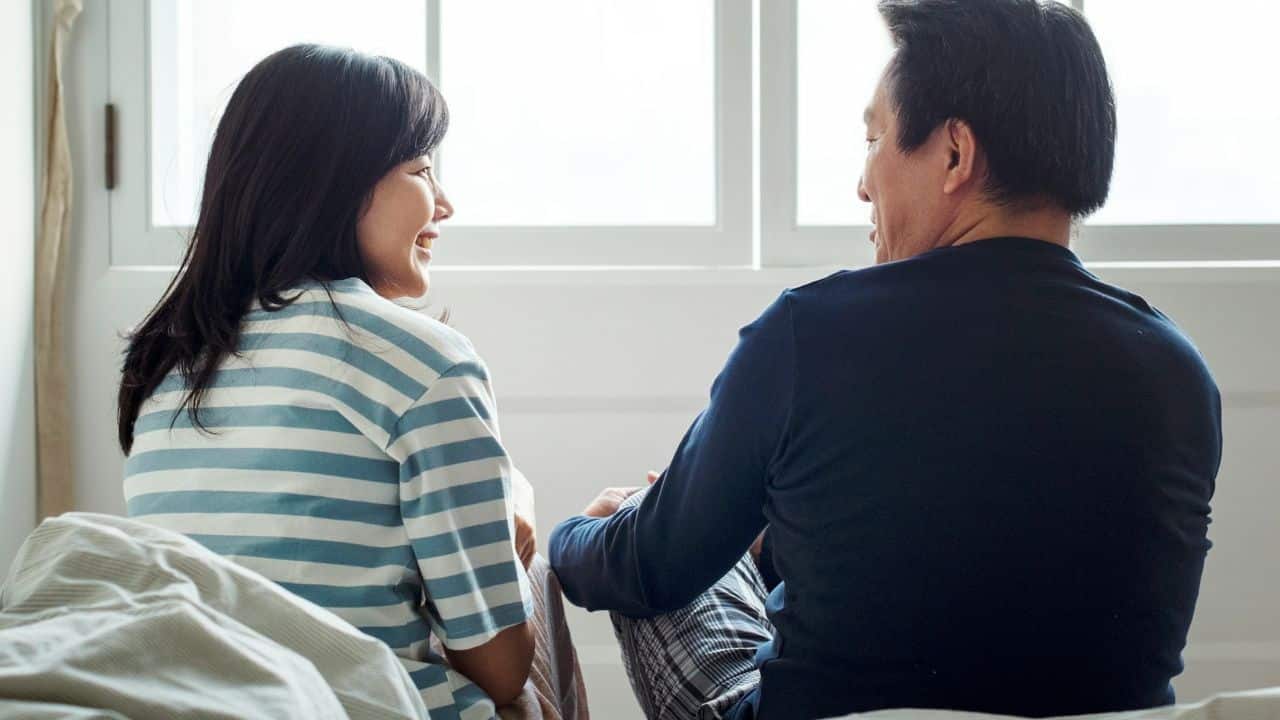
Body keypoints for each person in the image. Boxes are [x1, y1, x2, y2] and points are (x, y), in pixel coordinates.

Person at [549, 1, 1222, 718]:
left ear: (955, 155)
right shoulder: (1178, 372)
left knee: (640, 530)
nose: (863, 185)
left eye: (874, 139)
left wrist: (572, 540)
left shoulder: (810, 334)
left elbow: (650, 567)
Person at [117, 44, 584, 720]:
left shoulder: (166, 364)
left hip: (199, 702)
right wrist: (518, 511)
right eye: (423, 170)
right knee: (533, 601)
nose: (445, 204)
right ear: (332, 183)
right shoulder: (426, 363)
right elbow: (501, 668)